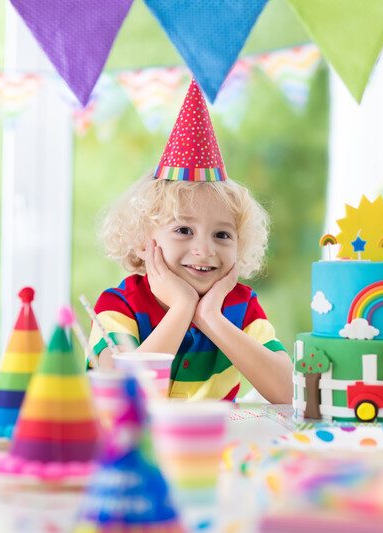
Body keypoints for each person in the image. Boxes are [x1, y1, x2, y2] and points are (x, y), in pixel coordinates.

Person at [88, 80, 292, 404]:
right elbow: (124, 398)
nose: (205, 249)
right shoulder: (118, 305)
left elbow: (288, 392)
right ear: (144, 240)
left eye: (222, 235)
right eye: (184, 230)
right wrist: (182, 308)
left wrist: (211, 318)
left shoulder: (240, 305)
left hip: (216, 448)